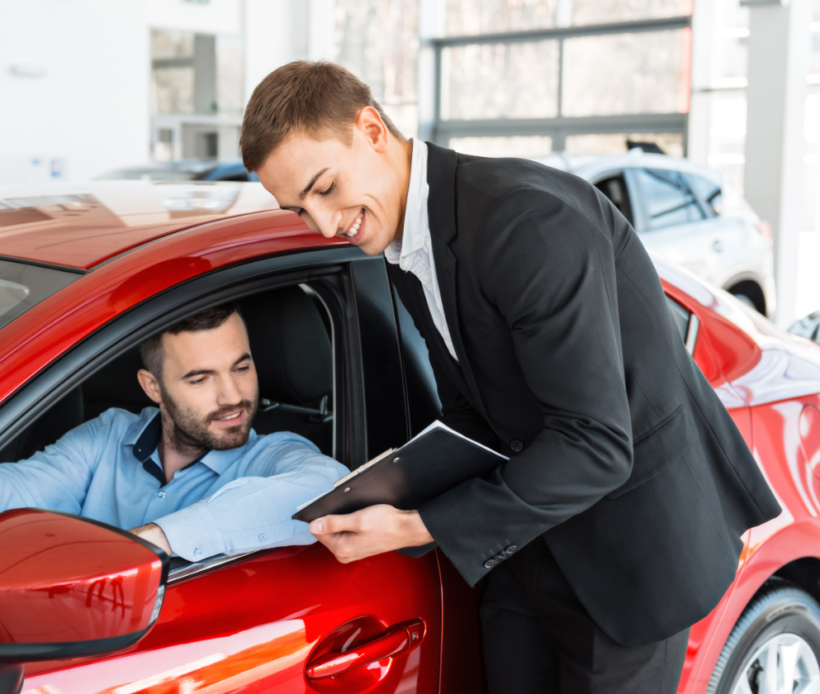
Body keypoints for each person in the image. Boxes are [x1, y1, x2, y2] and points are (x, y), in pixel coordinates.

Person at [239, 61, 781, 694]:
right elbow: (483, 410)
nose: (326, 224)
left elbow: (597, 444)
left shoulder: (523, 221)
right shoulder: (401, 236)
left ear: (372, 129)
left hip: (626, 560)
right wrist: (393, 483)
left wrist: (417, 527)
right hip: (526, 550)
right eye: (300, 209)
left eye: (325, 187)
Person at [0, 303, 348, 562]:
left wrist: (155, 540)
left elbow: (326, 486)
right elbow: (15, 490)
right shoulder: (108, 437)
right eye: (201, 380)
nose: (233, 396)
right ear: (152, 386)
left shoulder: (272, 458)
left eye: (241, 367)